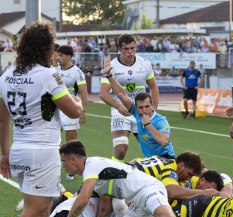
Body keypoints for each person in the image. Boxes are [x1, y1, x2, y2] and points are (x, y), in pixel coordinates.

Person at [0, 21, 83, 217]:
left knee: (41, 210)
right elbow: (73, 111)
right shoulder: (48, 74)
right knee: (34, 212)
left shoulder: (5, 75)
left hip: (19, 150)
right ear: (47, 48)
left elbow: (3, 122)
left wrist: (4, 154)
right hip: (42, 151)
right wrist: (80, 100)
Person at [54, 140, 213, 217]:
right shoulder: (93, 171)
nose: (63, 165)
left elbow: (83, 199)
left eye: (64, 161)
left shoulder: (92, 165)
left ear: (73, 159)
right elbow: (105, 201)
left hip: (148, 189)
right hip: (136, 200)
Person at [99, 34, 159, 163]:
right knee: (120, 150)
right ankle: (112, 179)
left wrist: (154, 109)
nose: (130, 52)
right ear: (119, 49)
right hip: (121, 112)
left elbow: (153, 87)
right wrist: (118, 106)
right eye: (126, 49)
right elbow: (103, 93)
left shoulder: (145, 64)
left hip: (141, 112)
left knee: (151, 151)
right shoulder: (112, 67)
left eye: (133, 48)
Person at [103, 55, 175, 158]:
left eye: (147, 106)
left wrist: (148, 124)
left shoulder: (160, 120)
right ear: (135, 108)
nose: (144, 110)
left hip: (166, 160)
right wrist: (109, 75)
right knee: (131, 164)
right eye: (141, 108)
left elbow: (164, 141)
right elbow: (122, 94)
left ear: (152, 106)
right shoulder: (136, 113)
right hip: (150, 162)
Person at [57, 45, 88, 180]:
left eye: (61, 56)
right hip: (56, 109)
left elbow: (83, 92)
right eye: (58, 55)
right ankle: (53, 168)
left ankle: (71, 171)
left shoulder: (77, 72)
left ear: (69, 57)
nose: (58, 58)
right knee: (53, 140)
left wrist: (83, 111)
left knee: (70, 141)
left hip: (70, 108)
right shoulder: (54, 70)